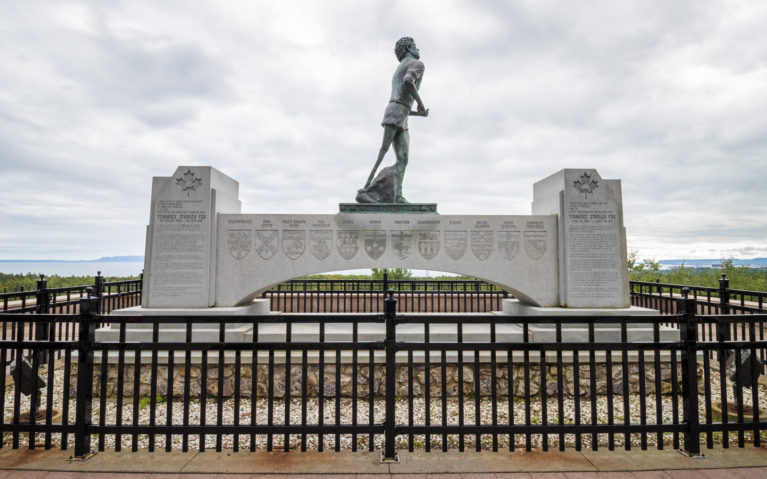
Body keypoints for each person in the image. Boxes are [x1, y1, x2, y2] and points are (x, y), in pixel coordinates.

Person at [361, 37, 428, 203]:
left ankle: (397, 195)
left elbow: (403, 102)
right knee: (382, 153)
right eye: (415, 46)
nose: (418, 49)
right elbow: (408, 82)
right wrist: (420, 103)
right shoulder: (417, 64)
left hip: (400, 113)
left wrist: (417, 113)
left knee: (403, 159)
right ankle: (366, 190)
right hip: (396, 112)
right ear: (409, 48)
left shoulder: (400, 67)